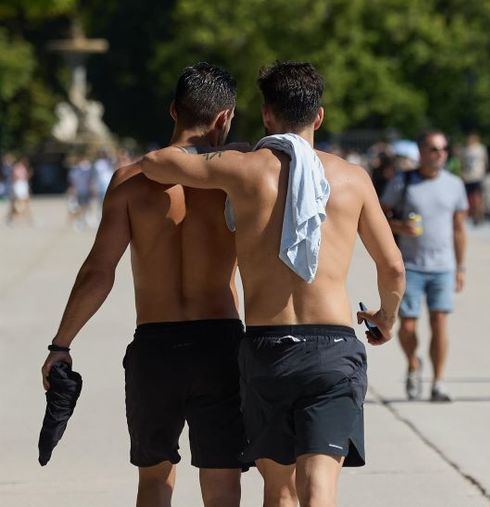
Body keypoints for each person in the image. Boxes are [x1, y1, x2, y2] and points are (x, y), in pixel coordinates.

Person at [141, 61, 405, 507]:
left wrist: (236, 150)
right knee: (319, 486)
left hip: (267, 348)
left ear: (267, 115)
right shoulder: (352, 179)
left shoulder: (242, 169)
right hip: (332, 346)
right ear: (318, 117)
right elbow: (393, 267)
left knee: (278, 490)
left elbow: (154, 164)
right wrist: (386, 317)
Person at [41, 62, 246, 507]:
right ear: (225, 117)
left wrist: (62, 343)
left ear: (174, 110)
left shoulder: (131, 180)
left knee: (154, 481)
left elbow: (99, 271)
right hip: (220, 343)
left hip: (156, 345)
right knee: (223, 482)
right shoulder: (238, 181)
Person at [381, 130, 468, 402]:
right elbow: (378, 215)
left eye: (443, 149)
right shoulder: (403, 181)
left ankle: (438, 382)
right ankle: (413, 363)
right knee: (407, 327)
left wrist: (461, 267)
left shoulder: (455, 184)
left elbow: (459, 228)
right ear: (421, 153)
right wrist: (400, 226)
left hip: (443, 266)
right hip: (411, 266)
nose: (439, 154)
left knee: (439, 321)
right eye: (433, 149)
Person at [461, 132, 488, 224]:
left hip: (477, 175)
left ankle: (479, 215)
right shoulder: (466, 149)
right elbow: (463, 163)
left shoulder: (480, 149)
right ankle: (472, 214)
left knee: (477, 197)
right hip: (468, 176)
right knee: (469, 197)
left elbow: (485, 161)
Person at [7, 156, 33, 225]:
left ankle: (18, 215)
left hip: (22, 184)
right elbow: (15, 177)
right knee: (19, 201)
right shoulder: (17, 167)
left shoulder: (23, 168)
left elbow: (24, 177)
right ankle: (17, 215)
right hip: (19, 184)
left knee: (24, 201)